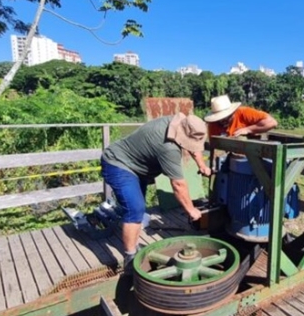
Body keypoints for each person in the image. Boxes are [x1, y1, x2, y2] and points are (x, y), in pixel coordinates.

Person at [100, 113, 211, 272]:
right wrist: (191, 210)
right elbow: (178, 184)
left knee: (136, 208)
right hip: (118, 164)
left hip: (137, 167)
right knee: (135, 209)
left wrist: (201, 165)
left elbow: (193, 146)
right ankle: (130, 258)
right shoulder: (168, 147)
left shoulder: (178, 122)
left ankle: (133, 242)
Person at [204, 95, 278, 137]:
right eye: (220, 119)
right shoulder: (213, 124)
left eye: (225, 118)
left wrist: (248, 129)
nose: (223, 121)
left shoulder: (243, 112)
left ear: (232, 113)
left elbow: (272, 122)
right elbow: (214, 145)